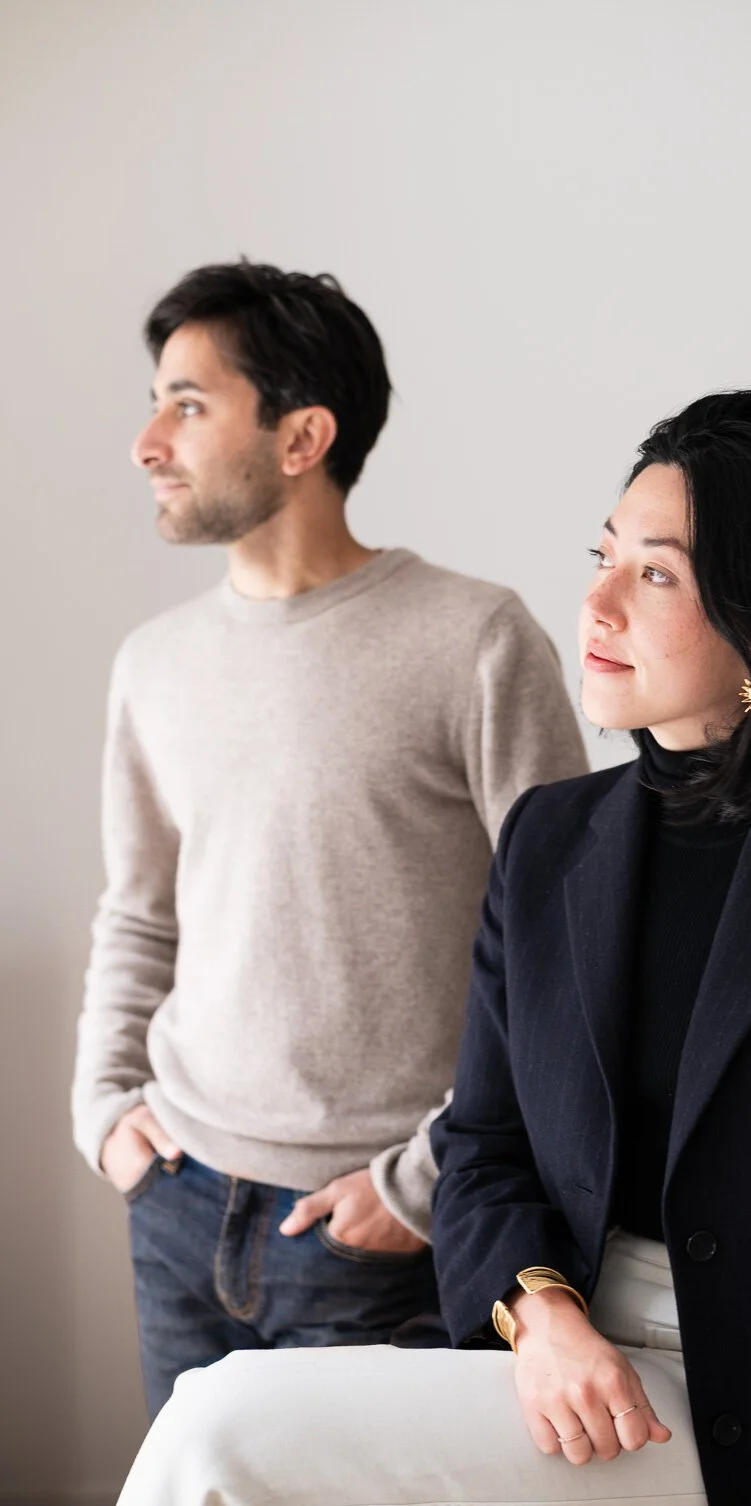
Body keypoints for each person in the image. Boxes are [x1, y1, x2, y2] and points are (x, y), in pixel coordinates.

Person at [64, 390, 751, 1506]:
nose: (595, 602)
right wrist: (538, 1312)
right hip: (553, 1385)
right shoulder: (555, 840)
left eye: (655, 574)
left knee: (219, 1421)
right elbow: (486, 1145)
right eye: (604, 556)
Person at [71, 260, 587, 1417]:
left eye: (188, 405)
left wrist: (425, 1183)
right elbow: (139, 912)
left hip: (373, 1232)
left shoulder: (475, 639)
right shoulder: (154, 664)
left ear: (302, 437)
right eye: (155, 405)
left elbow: (569, 947)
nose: (148, 444)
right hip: (176, 1198)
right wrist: (104, 1116)